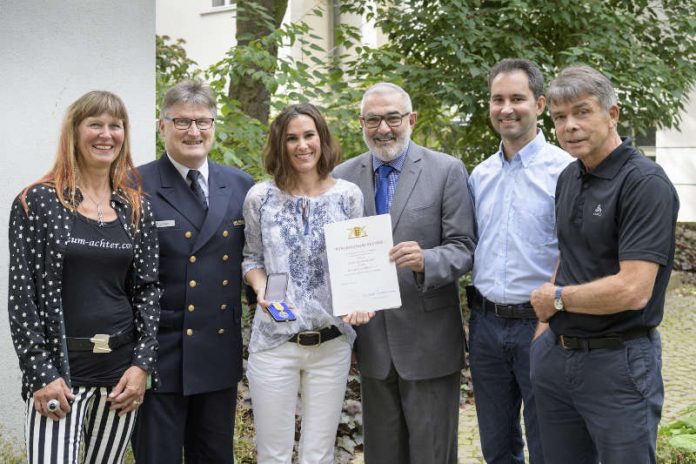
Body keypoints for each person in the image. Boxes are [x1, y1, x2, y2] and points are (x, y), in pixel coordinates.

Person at [530, 66, 679, 463]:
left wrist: (556, 300)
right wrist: (543, 336)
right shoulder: (568, 177)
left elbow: (633, 289)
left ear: (612, 114)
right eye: (560, 117)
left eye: (582, 112)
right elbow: (569, 252)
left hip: (619, 364)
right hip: (558, 359)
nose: (570, 126)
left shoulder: (644, 183)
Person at [7, 90, 160, 463]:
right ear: (74, 133)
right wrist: (41, 373)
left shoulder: (135, 206)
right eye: (95, 124)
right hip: (60, 377)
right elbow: (22, 296)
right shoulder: (36, 202)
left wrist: (141, 366)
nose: (106, 134)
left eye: (115, 125)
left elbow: (148, 290)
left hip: (119, 379)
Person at [333, 82, 476, 463]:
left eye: (393, 118)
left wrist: (427, 260)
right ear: (361, 123)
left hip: (428, 342)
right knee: (381, 455)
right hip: (373, 342)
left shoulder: (446, 170)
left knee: (431, 454)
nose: (383, 129)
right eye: (373, 120)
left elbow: (464, 249)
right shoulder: (342, 178)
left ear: (411, 119)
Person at [131, 79, 254, 463]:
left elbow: (255, 261)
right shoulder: (134, 184)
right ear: (161, 125)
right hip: (159, 353)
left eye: (203, 121)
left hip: (218, 350)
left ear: (214, 125)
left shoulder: (240, 184)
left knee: (215, 457)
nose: (194, 131)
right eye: (182, 122)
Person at [242, 102, 364, 464]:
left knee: (318, 455)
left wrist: (361, 297)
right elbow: (252, 258)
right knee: (274, 454)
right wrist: (262, 288)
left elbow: (358, 263)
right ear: (280, 145)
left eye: (309, 135)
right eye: (291, 138)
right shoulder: (260, 198)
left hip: (331, 344)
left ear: (322, 139)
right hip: (275, 340)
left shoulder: (348, 196)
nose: (301, 145)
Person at [467, 58, 572, 464]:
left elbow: (573, 250)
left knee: (548, 441)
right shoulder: (480, 175)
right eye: (498, 99)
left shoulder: (564, 171)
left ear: (540, 104)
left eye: (517, 98)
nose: (506, 108)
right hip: (486, 327)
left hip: (542, 324)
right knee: (497, 446)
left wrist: (547, 319)